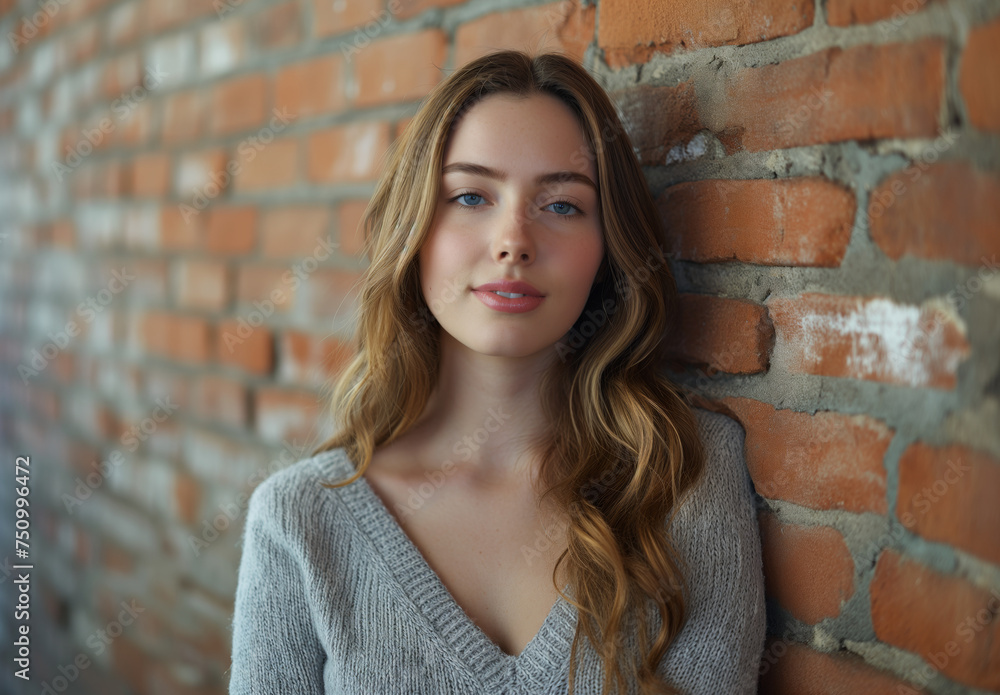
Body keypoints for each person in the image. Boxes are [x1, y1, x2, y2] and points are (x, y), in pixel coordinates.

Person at [228, 49, 765, 695]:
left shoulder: (685, 473)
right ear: (415, 229)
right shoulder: (301, 518)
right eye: (471, 196)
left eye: (563, 205)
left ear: (607, 250)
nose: (514, 239)